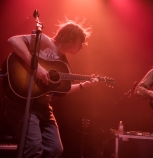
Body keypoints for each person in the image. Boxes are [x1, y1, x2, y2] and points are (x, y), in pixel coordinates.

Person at [3, 19, 98, 158]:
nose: (81, 47)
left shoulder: (63, 62)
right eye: (80, 42)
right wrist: (37, 68)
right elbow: (13, 41)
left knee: (55, 150)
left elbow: (61, 91)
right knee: (33, 148)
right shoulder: (44, 40)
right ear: (71, 37)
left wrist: (84, 85)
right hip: (23, 104)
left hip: (43, 107)